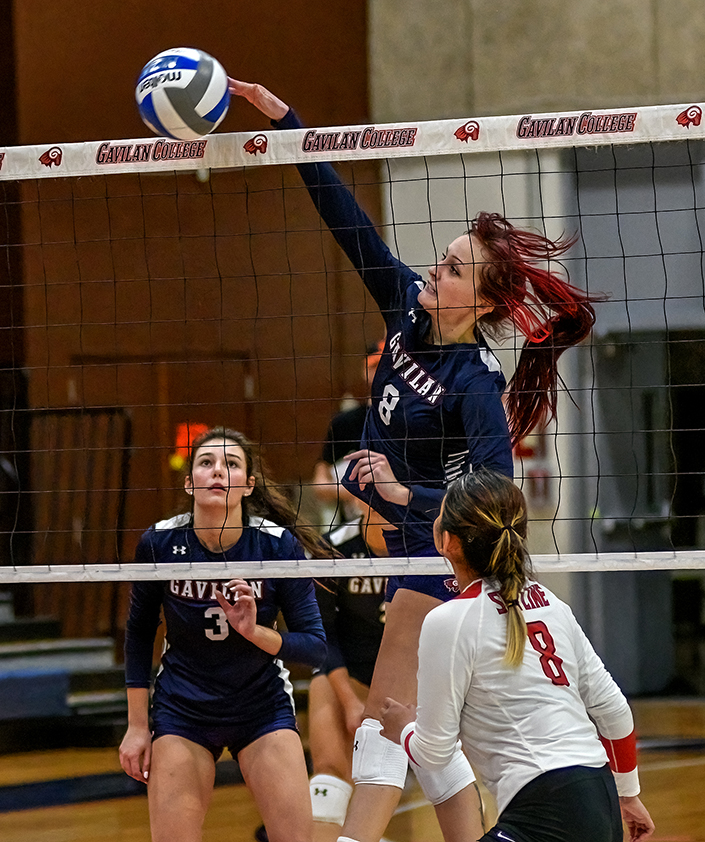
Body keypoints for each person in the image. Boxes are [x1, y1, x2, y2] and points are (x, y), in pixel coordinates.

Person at [230, 78, 600, 842]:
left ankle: (351, 839)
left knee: (384, 716)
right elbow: (345, 220)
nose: (435, 270)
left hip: (441, 552)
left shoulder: (474, 382)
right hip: (404, 543)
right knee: (410, 724)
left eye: (454, 269)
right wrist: (288, 121)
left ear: (483, 304)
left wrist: (404, 493)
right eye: (443, 259)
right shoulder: (404, 307)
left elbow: (499, 500)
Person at [380, 468, 655, 842]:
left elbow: (433, 753)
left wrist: (402, 728)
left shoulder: (449, 620)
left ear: (447, 541)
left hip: (547, 810)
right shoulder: (551, 603)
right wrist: (628, 794)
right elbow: (614, 711)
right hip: (599, 796)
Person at [119, 427, 328, 842]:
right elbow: (139, 635)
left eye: (231, 464)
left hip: (261, 706)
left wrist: (254, 632)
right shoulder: (160, 543)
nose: (218, 471)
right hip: (184, 708)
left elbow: (316, 648)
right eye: (206, 462)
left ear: (248, 485)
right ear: (189, 482)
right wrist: (137, 726)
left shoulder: (276, 546)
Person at [311, 340, 385, 529]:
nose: (383, 372)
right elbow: (319, 485)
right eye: (375, 366)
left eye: (389, 366)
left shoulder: (415, 420)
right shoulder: (345, 423)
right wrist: (356, 491)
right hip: (353, 524)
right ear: (364, 371)